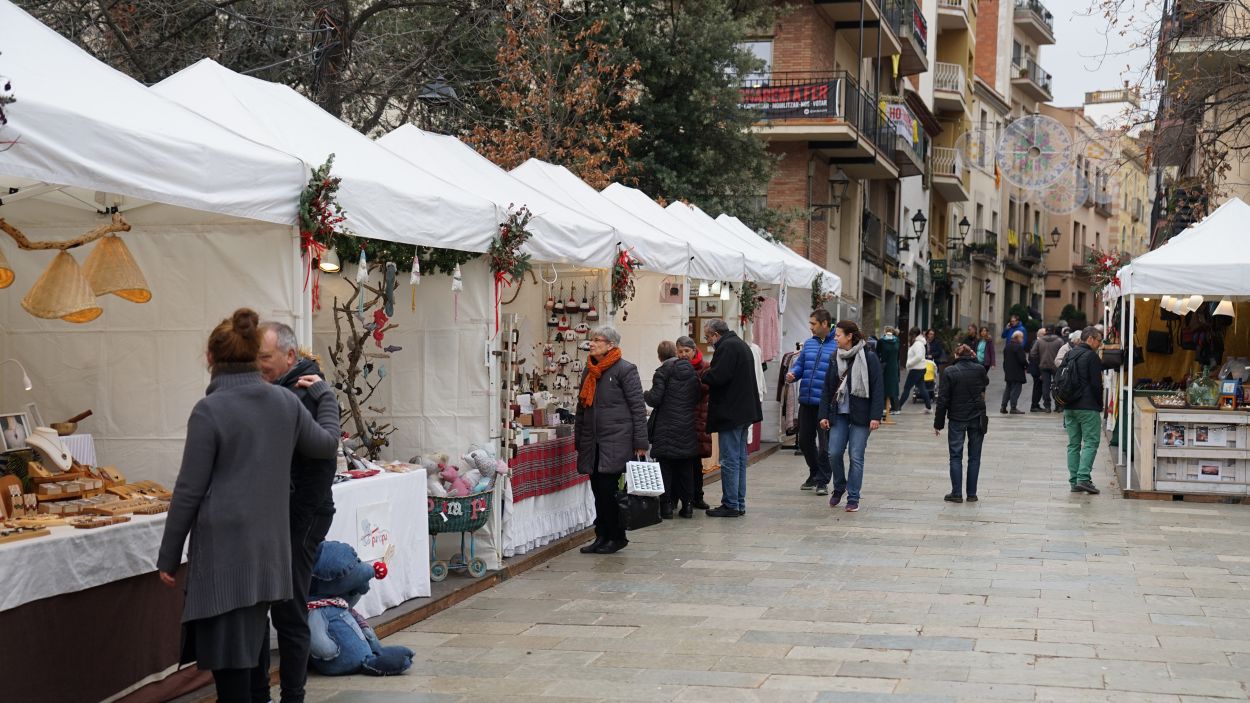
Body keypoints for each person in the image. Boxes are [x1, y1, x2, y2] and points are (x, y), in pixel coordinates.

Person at [157, 309, 341, 703]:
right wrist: (327, 396)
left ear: (210, 357)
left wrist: (169, 556)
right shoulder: (285, 402)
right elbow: (326, 445)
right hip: (270, 549)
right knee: (250, 640)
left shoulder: (210, 410)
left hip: (223, 551)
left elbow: (189, 490)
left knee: (230, 660)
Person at [256, 321, 337, 703]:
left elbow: (323, 461)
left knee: (287, 610)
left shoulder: (305, 392)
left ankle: (291, 696)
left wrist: (295, 526)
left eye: (265, 357)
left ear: (290, 356)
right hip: (281, 518)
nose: (258, 364)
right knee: (265, 608)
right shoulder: (282, 388)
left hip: (299, 517)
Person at [576, 326, 649, 554]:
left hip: (616, 441)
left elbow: (638, 408)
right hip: (593, 442)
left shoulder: (625, 370)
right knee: (597, 490)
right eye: (592, 339)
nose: (592, 343)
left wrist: (640, 443)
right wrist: (579, 438)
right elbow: (581, 408)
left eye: (597, 340)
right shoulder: (589, 371)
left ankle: (616, 537)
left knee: (610, 492)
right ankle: (602, 535)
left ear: (611, 345)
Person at [818, 320, 884, 513]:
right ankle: (840, 486)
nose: (835, 338)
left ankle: (853, 496)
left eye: (838, 335)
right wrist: (823, 414)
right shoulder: (834, 357)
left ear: (849, 336)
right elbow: (827, 389)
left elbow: (878, 388)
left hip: (861, 416)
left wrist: (875, 416)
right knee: (834, 453)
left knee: (856, 456)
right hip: (838, 414)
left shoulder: (869, 357)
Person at [701, 319, 763, 517]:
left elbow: (719, 376)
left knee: (730, 460)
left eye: (708, 337)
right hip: (743, 411)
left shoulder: (727, 347)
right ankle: (738, 502)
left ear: (716, 334)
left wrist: (704, 375)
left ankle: (731, 504)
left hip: (731, 412)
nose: (707, 341)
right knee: (739, 459)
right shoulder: (739, 344)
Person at [643, 340, 701, 519]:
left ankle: (666, 507)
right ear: (675, 353)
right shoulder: (692, 372)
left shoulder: (662, 372)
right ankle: (688, 506)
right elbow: (697, 396)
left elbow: (655, 399)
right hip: (686, 426)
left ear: (660, 356)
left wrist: (645, 394)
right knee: (685, 468)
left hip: (666, 426)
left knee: (665, 468)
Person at [784, 309, 838, 495]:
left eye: (813, 324)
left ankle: (823, 480)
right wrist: (793, 374)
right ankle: (814, 472)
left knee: (825, 445)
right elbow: (800, 365)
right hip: (806, 401)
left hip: (825, 404)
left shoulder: (837, 345)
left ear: (825, 324)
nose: (811, 327)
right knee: (805, 441)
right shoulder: (809, 343)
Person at [934, 344, 989, 503]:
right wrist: (976, 359)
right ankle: (972, 494)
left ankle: (957, 493)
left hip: (957, 418)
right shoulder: (979, 369)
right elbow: (985, 382)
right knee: (975, 457)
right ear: (971, 354)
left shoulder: (949, 371)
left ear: (956, 356)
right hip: (977, 417)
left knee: (956, 456)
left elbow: (943, 399)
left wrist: (938, 423)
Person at [1064, 327, 1105, 494]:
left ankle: (1074, 481)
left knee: (1073, 444)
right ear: (1090, 339)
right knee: (1091, 442)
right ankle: (1083, 478)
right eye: (1099, 341)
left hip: (1069, 406)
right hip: (1087, 407)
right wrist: (1099, 404)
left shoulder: (1070, 353)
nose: (1100, 344)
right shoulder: (1091, 356)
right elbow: (1096, 385)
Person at [675, 336, 712, 510]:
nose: (683, 354)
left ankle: (697, 496)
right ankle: (678, 497)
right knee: (679, 461)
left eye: (686, 351)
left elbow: (705, 389)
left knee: (696, 462)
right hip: (679, 420)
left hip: (698, 419)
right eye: (680, 351)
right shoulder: (674, 367)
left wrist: (690, 377)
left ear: (694, 351)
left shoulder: (705, 367)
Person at [896, 327, 931, 413]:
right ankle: (929, 408)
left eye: (910, 335)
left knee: (907, 388)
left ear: (914, 335)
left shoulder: (918, 344)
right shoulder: (918, 343)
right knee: (922, 388)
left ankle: (898, 407)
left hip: (916, 369)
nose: (909, 337)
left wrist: (909, 363)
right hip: (920, 368)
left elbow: (919, 356)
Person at [1030, 326, 1065, 413]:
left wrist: (1039, 361)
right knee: (1057, 385)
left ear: (1046, 331)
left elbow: (1033, 353)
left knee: (1045, 385)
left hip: (1043, 366)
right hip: (1056, 366)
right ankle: (1058, 406)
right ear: (1054, 330)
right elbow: (1064, 353)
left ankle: (1047, 406)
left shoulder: (1039, 341)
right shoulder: (1059, 341)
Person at [1001, 330, 1028, 414]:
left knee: (1008, 390)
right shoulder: (1018, 347)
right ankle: (1013, 408)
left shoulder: (1007, 346)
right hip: (1017, 372)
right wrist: (1027, 366)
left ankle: (1003, 407)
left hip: (1008, 372)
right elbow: (1022, 360)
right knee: (1016, 390)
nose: (1022, 339)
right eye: (1022, 337)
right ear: (1017, 337)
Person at [876, 326, 901, 415]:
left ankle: (884, 407)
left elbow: (877, 353)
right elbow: (898, 356)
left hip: (884, 367)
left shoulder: (881, 341)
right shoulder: (897, 341)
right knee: (893, 387)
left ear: (885, 331)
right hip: (894, 366)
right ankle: (895, 407)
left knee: (883, 386)